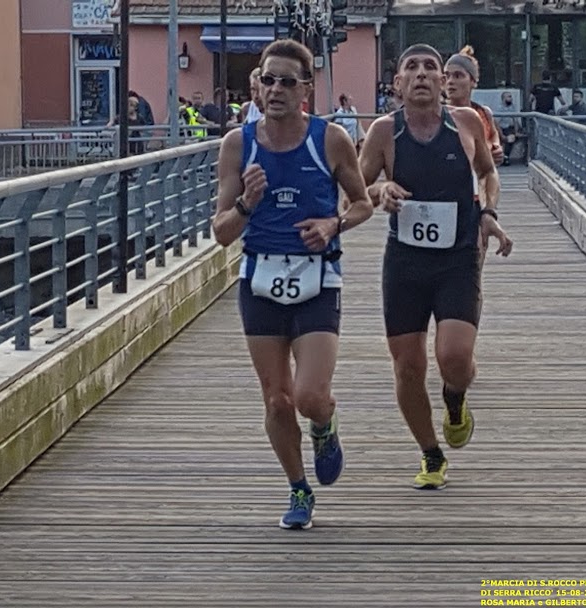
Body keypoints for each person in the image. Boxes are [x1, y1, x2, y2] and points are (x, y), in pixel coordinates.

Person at [213, 39, 374, 529]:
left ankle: (325, 424)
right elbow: (220, 232)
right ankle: (298, 488)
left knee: (308, 396)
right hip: (260, 277)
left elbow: (363, 203)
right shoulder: (238, 144)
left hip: (317, 276)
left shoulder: (330, 140)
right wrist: (247, 203)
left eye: (287, 81)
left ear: (306, 89)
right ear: (256, 86)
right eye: (268, 79)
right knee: (278, 399)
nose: (276, 89)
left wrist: (333, 225)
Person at [358, 43, 513, 491]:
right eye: (413, 67)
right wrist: (380, 192)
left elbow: (488, 173)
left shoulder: (464, 123)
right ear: (398, 83)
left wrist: (489, 213)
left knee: (455, 359)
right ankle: (430, 453)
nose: (423, 74)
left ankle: (455, 398)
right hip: (405, 262)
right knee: (408, 366)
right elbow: (355, 189)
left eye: (432, 67)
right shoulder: (384, 133)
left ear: (443, 81)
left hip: (457, 257)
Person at [443, 46, 504, 165]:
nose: (450, 81)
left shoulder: (484, 113)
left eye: (458, 76)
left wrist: (496, 149)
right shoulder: (437, 115)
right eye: (447, 76)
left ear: (473, 81)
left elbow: (493, 135)